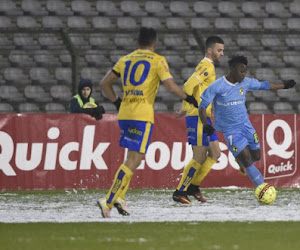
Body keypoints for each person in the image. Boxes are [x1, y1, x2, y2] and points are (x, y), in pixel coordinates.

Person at [97, 27, 198, 218]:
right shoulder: (158, 60)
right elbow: (170, 87)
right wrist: (188, 97)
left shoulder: (125, 59)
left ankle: (120, 197)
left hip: (125, 113)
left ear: (137, 43)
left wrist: (117, 101)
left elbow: (104, 83)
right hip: (141, 115)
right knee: (135, 159)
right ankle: (108, 200)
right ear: (155, 44)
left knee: (130, 158)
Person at [198, 54, 296, 189]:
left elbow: (264, 85)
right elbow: (203, 106)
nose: (244, 74)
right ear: (232, 69)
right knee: (247, 159)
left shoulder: (245, 82)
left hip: (246, 125)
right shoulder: (218, 86)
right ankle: (262, 188)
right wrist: (206, 124)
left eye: (245, 71)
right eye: (241, 71)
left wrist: (284, 85)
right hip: (230, 130)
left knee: (256, 156)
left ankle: (240, 160)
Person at [172, 36, 224, 204]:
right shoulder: (206, 66)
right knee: (199, 157)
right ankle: (180, 192)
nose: (222, 53)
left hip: (206, 117)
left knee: (215, 153)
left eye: (222, 50)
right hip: (198, 118)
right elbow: (188, 86)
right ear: (209, 50)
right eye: (219, 50)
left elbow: (195, 89)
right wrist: (189, 108)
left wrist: (185, 108)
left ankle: (193, 187)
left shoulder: (209, 66)